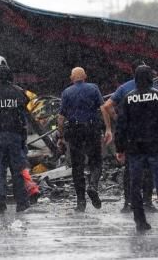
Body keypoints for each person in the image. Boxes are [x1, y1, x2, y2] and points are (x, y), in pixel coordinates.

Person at [115, 65, 158, 233]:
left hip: (135, 149)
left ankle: (140, 221)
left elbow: (121, 126)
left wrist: (120, 149)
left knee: (135, 185)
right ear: (151, 78)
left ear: (135, 79)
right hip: (157, 147)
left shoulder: (128, 99)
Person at [56, 67, 111, 212]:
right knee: (96, 161)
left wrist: (60, 137)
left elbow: (61, 118)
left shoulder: (66, 92)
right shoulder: (93, 88)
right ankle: (93, 185)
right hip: (92, 129)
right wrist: (108, 129)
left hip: (74, 131)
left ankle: (81, 202)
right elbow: (104, 108)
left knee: (77, 167)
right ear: (85, 76)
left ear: (71, 78)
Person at [100, 73, 156, 213]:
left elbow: (106, 106)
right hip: (150, 135)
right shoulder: (155, 90)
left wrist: (117, 120)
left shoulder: (125, 91)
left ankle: (128, 203)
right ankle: (147, 202)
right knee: (149, 169)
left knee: (130, 169)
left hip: (131, 136)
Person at [0, 64, 30, 213]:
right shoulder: (19, 92)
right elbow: (24, 113)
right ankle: (22, 202)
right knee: (18, 170)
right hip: (15, 137)